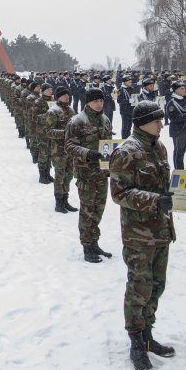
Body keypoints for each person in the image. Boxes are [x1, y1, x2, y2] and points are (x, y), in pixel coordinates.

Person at [109, 100, 186, 370]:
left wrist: (185, 194)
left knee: (157, 285)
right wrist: (156, 201)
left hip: (161, 230)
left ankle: (147, 334)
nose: (162, 124)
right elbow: (119, 194)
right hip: (139, 234)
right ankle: (136, 342)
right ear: (142, 123)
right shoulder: (126, 152)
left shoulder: (159, 146)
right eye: (157, 120)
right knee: (139, 287)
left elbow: (166, 186)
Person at [65, 87, 113, 263]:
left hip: (102, 173)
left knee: (98, 210)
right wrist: (87, 153)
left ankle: (94, 242)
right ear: (88, 102)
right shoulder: (77, 121)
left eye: (101, 101)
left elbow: (108, 144)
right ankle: (86, 246)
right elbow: (69, 146)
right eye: (95, 101)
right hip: (86, 173)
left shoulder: (105, 120)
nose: (99, 104)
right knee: (87, 211)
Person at [44, 86, 78, 213]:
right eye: (64, 95)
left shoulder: (71, 110)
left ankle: (65, 200)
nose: (67, 97)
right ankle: (59, 203)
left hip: (70, 149)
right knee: (60, 177)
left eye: (67, 95)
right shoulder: (53, 111)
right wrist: (65, 133)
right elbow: (48, 132)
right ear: (58, 97)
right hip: (58, 151)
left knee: (68, 176)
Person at [167, 81, 186, 170]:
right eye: (181, 89)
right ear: (176, 90)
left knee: (182, 152)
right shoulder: (172, 102)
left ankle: (181, 171)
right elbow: (173, 118)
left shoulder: (185, 99)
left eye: (184, 88)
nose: (184, 90)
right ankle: (179, 172)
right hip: (178, 130)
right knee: (178, 152)